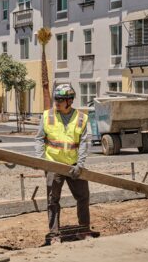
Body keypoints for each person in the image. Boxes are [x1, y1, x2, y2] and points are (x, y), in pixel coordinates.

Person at [34, 84, 90, 244]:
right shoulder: (47, 116)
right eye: (55, 99)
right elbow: (39, 138)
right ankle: (54, 235)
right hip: (53, 164)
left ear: (69, 101)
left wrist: (80, 164)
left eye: (59, 100)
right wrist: (41, 159)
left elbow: (85, 143)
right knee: (53, 200)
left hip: (74, 165)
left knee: (83, 197)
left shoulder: (81, 118)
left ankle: (84, 230)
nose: (56, 102)